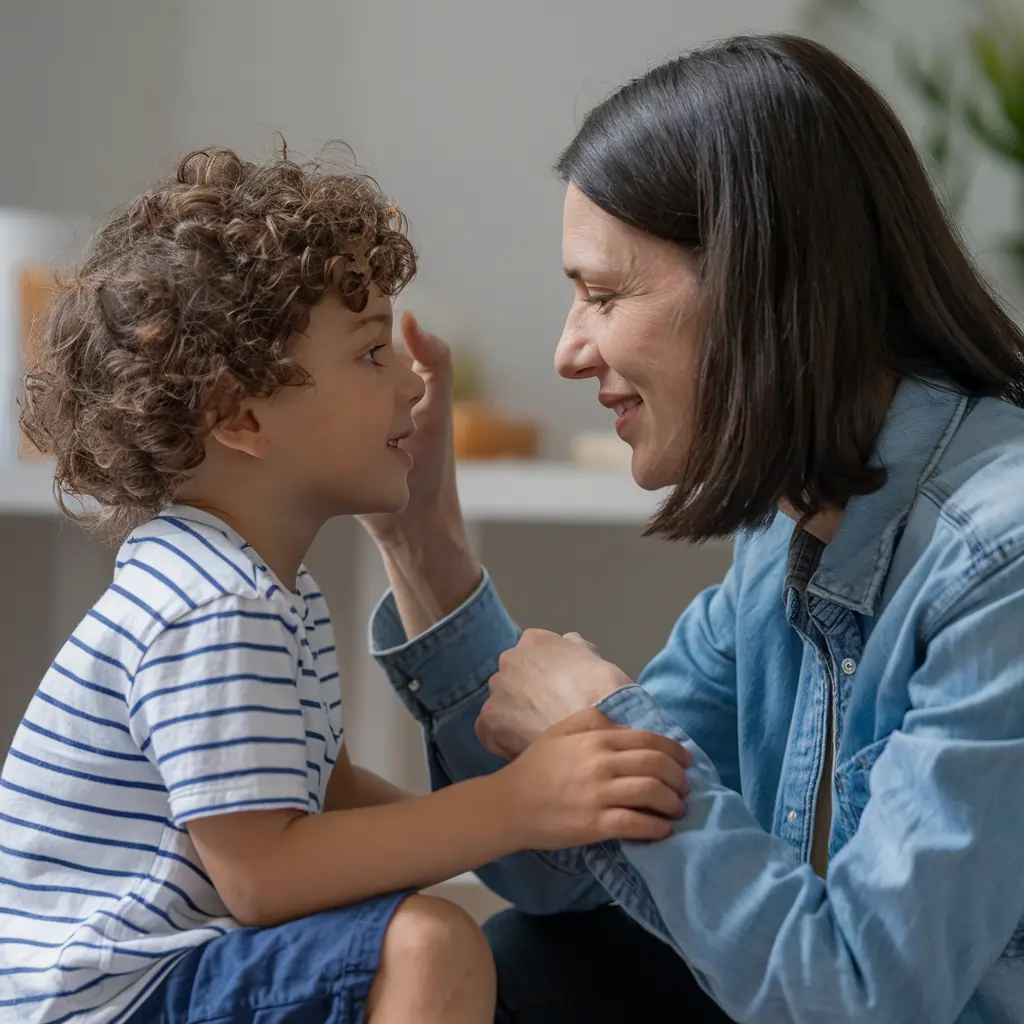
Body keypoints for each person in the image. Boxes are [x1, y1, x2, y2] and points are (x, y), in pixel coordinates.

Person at [359, 34, 1024, 1024]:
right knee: (532, 957)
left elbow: (862, 999)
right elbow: (556, 872)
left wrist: (612, 717)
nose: (567, 349)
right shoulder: (786, 542)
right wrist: (422, 537)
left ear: (761, 278)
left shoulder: (998, 564)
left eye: (604, 292)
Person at [0, 148, 692, 1024]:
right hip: (107, 999)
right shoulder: (217, 607)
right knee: (428, 946)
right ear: (240, 415)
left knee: (435, 931)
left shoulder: (256, 590)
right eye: (371, 353)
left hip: (158, 980)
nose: (410, 381)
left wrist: (524, 832)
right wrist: (516, 805)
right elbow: (263, 876)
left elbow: (322, 801)